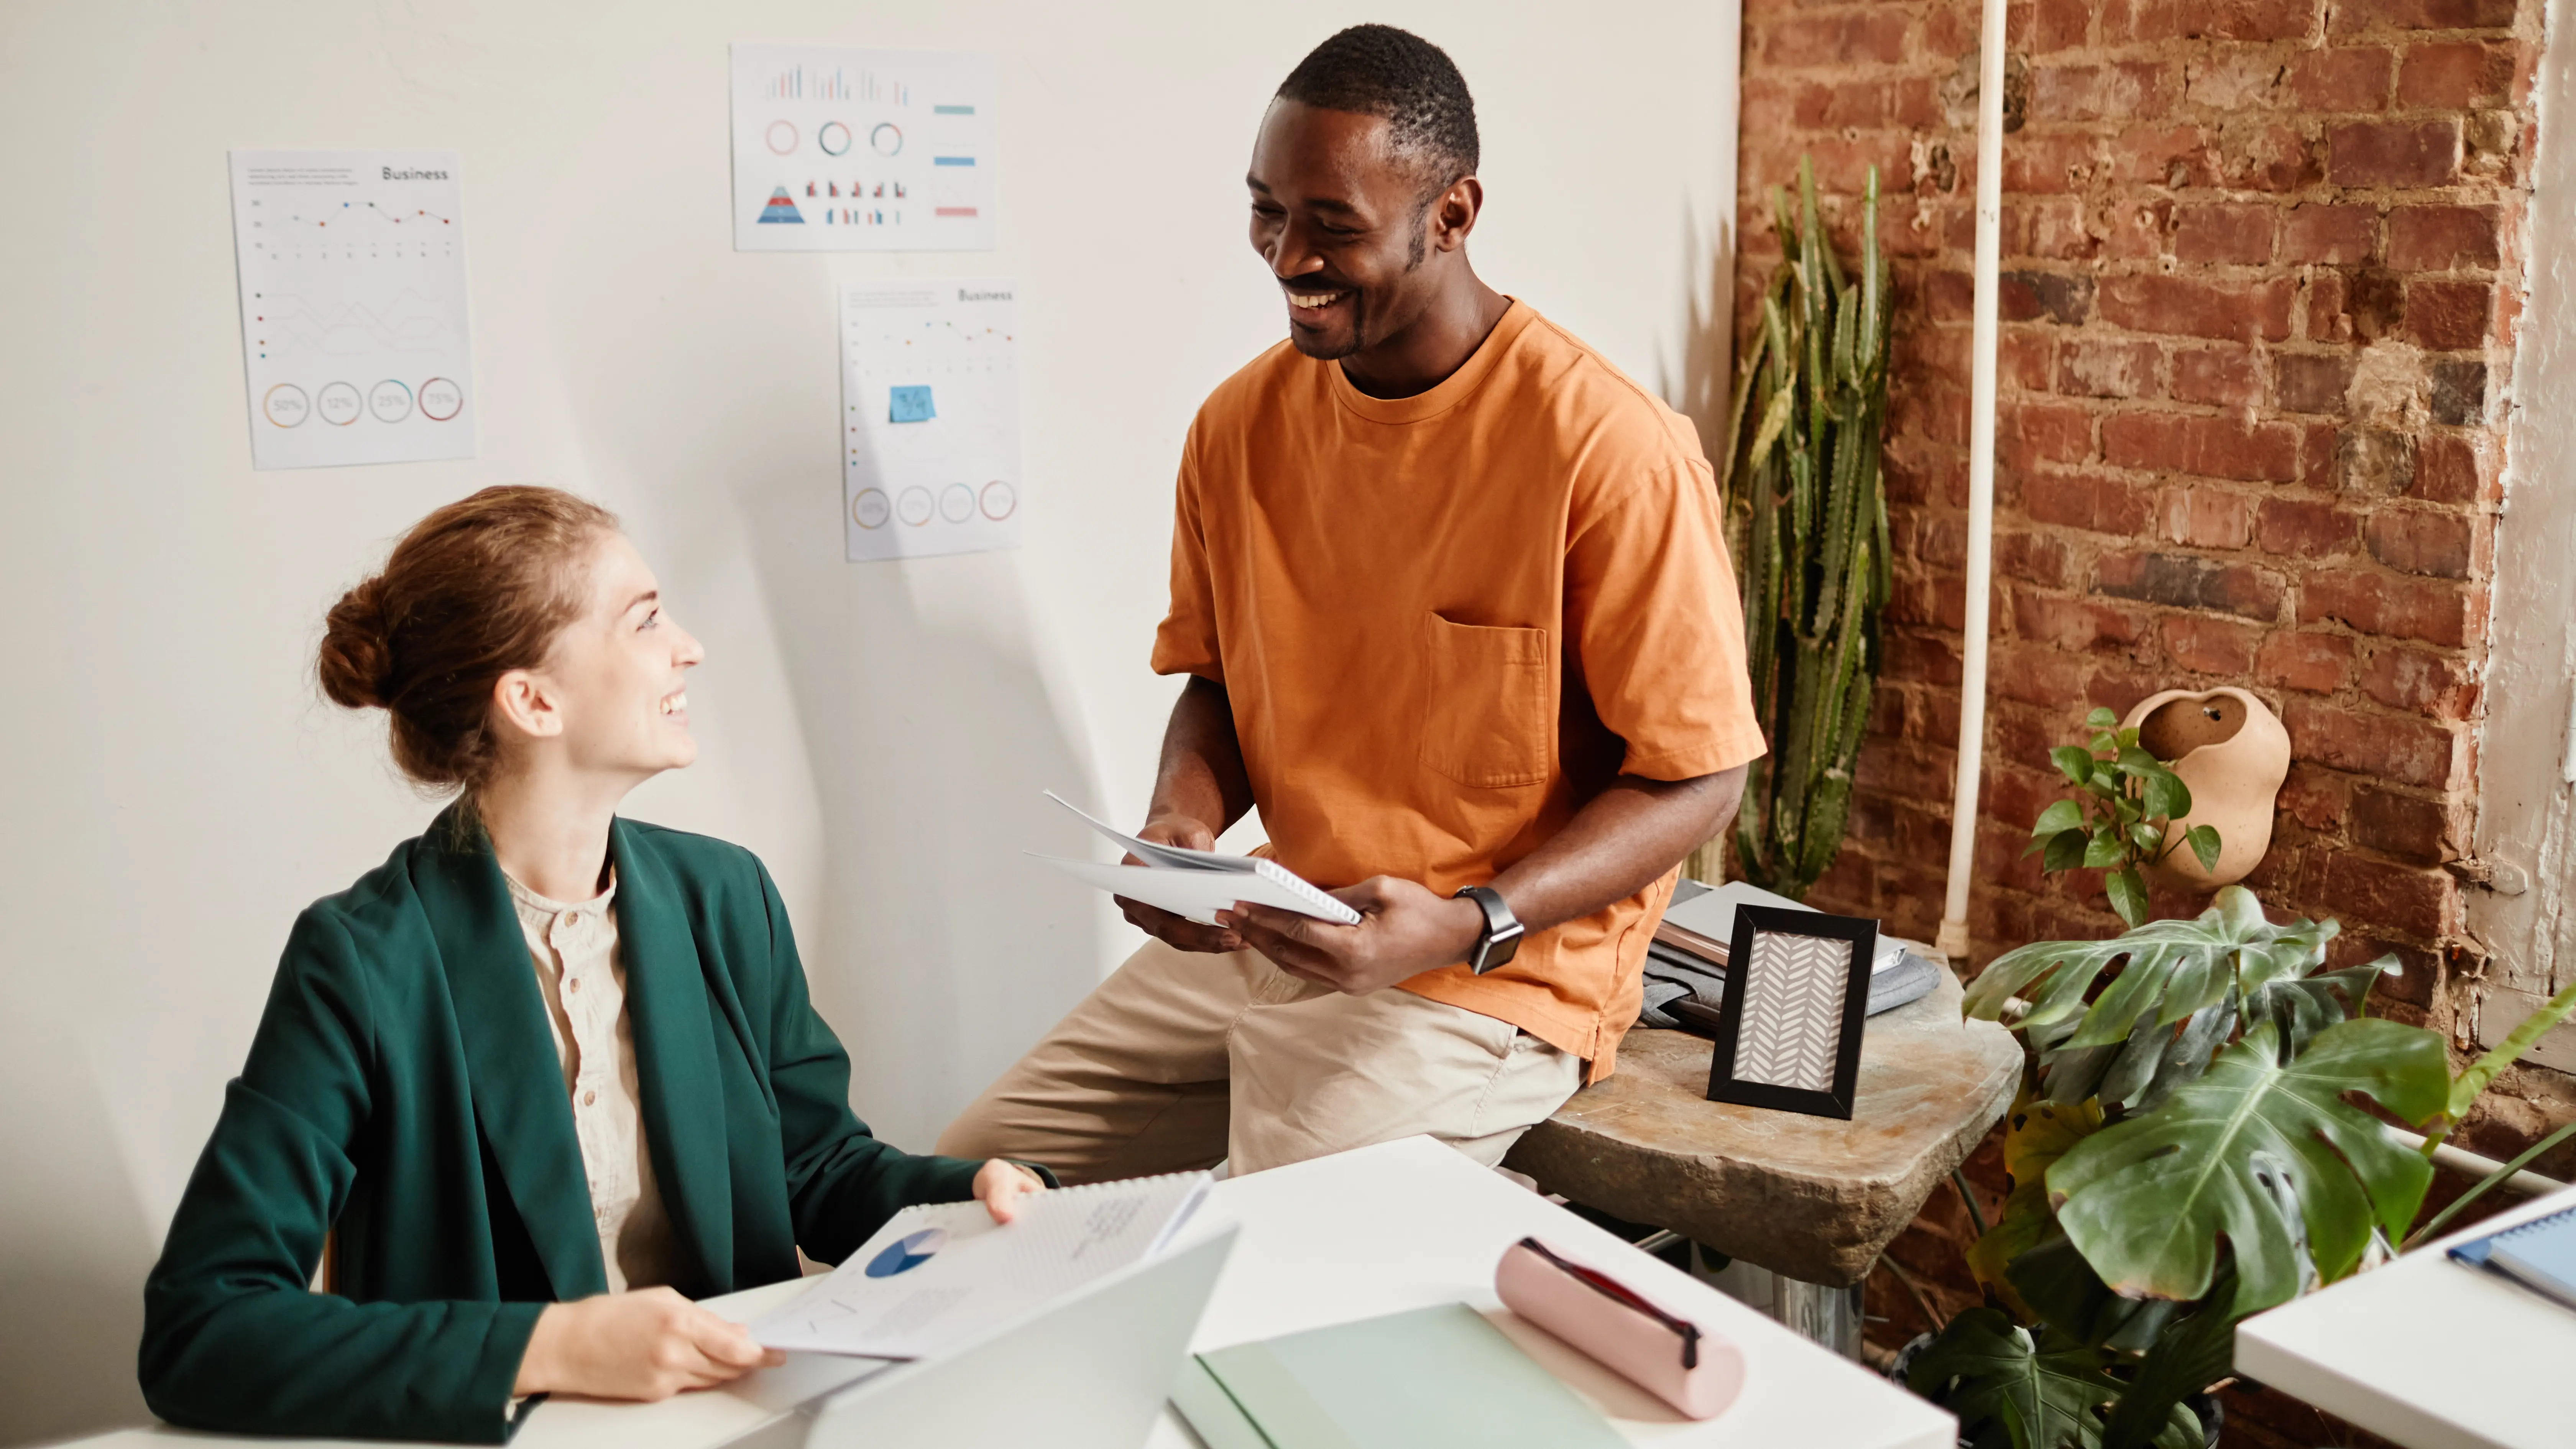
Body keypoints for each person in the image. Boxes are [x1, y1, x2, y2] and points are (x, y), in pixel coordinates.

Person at [938, 26, 1764, 1184]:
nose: (1287, 255)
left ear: (1453, 213)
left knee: (1256, 1266)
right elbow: (1222, 677)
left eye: (1332, 224)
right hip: (1270, 929)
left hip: (1489, 976)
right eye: (1267, 211)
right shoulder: (1237, 429)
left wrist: (1475, 918)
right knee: (959, 1184)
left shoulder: (1610, 451)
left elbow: (1697, 774)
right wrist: (1183, 825)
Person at [139, 486, 1047, 1442]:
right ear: (533, 699)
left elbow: (815, 1169)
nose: (687, 647)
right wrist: (555, 1347)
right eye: (646, 619)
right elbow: (203, 1326)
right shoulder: (361, 959)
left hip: (744, 1420)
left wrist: (964, 1195)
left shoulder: (728, 897)